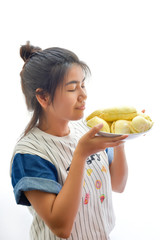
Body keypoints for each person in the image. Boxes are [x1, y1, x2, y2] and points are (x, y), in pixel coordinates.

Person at [10, 42, 128, 240]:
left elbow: (118, 184)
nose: (84, 95)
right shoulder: (29, 154)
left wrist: (121, 139)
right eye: (73, 88)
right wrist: (81, 154)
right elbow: (61, 227)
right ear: (43, 97)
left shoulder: (88, 128)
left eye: (83, 84)